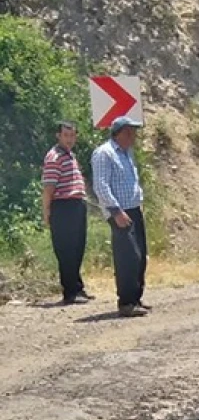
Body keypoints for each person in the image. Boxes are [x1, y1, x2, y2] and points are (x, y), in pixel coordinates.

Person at [91, 116, 150, 318]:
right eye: (129, 132)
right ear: (118, 133)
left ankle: (135, 298)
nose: (132, 136)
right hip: (119, 211)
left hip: (133, 209)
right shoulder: (104, 154)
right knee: (128, 257)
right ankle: (125, 302)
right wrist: (115, 211)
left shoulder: (127, 153)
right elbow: (101, 185)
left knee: (140, 255)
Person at [42, 121, 94, 305]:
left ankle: (78, 287)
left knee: (78, 247)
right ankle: (70, 291)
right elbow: (49, 187)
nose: (70, 139)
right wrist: (46, 211)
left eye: (72, 135)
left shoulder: (70, 155)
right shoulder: (54, 156)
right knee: (66, 250)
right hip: (63, 207)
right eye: (66, 135)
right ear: (58, 136)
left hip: (76, 205)